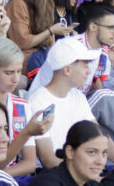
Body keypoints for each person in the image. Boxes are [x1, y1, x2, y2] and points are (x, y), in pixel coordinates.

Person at [0, 38, 52, 182]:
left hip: (10, 180)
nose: (16, 79)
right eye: (9, 72)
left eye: (19, 71)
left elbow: (30, 163)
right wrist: (27, 132)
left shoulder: (22, 106)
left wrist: (1, 178)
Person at [26, 36, 102, 168]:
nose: (89, 71)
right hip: (52, 177)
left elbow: (98, 137)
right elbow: (48, 160)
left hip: (80, 170)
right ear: (67, 69)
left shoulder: (78, 96)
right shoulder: (38, 101)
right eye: (85, 65)